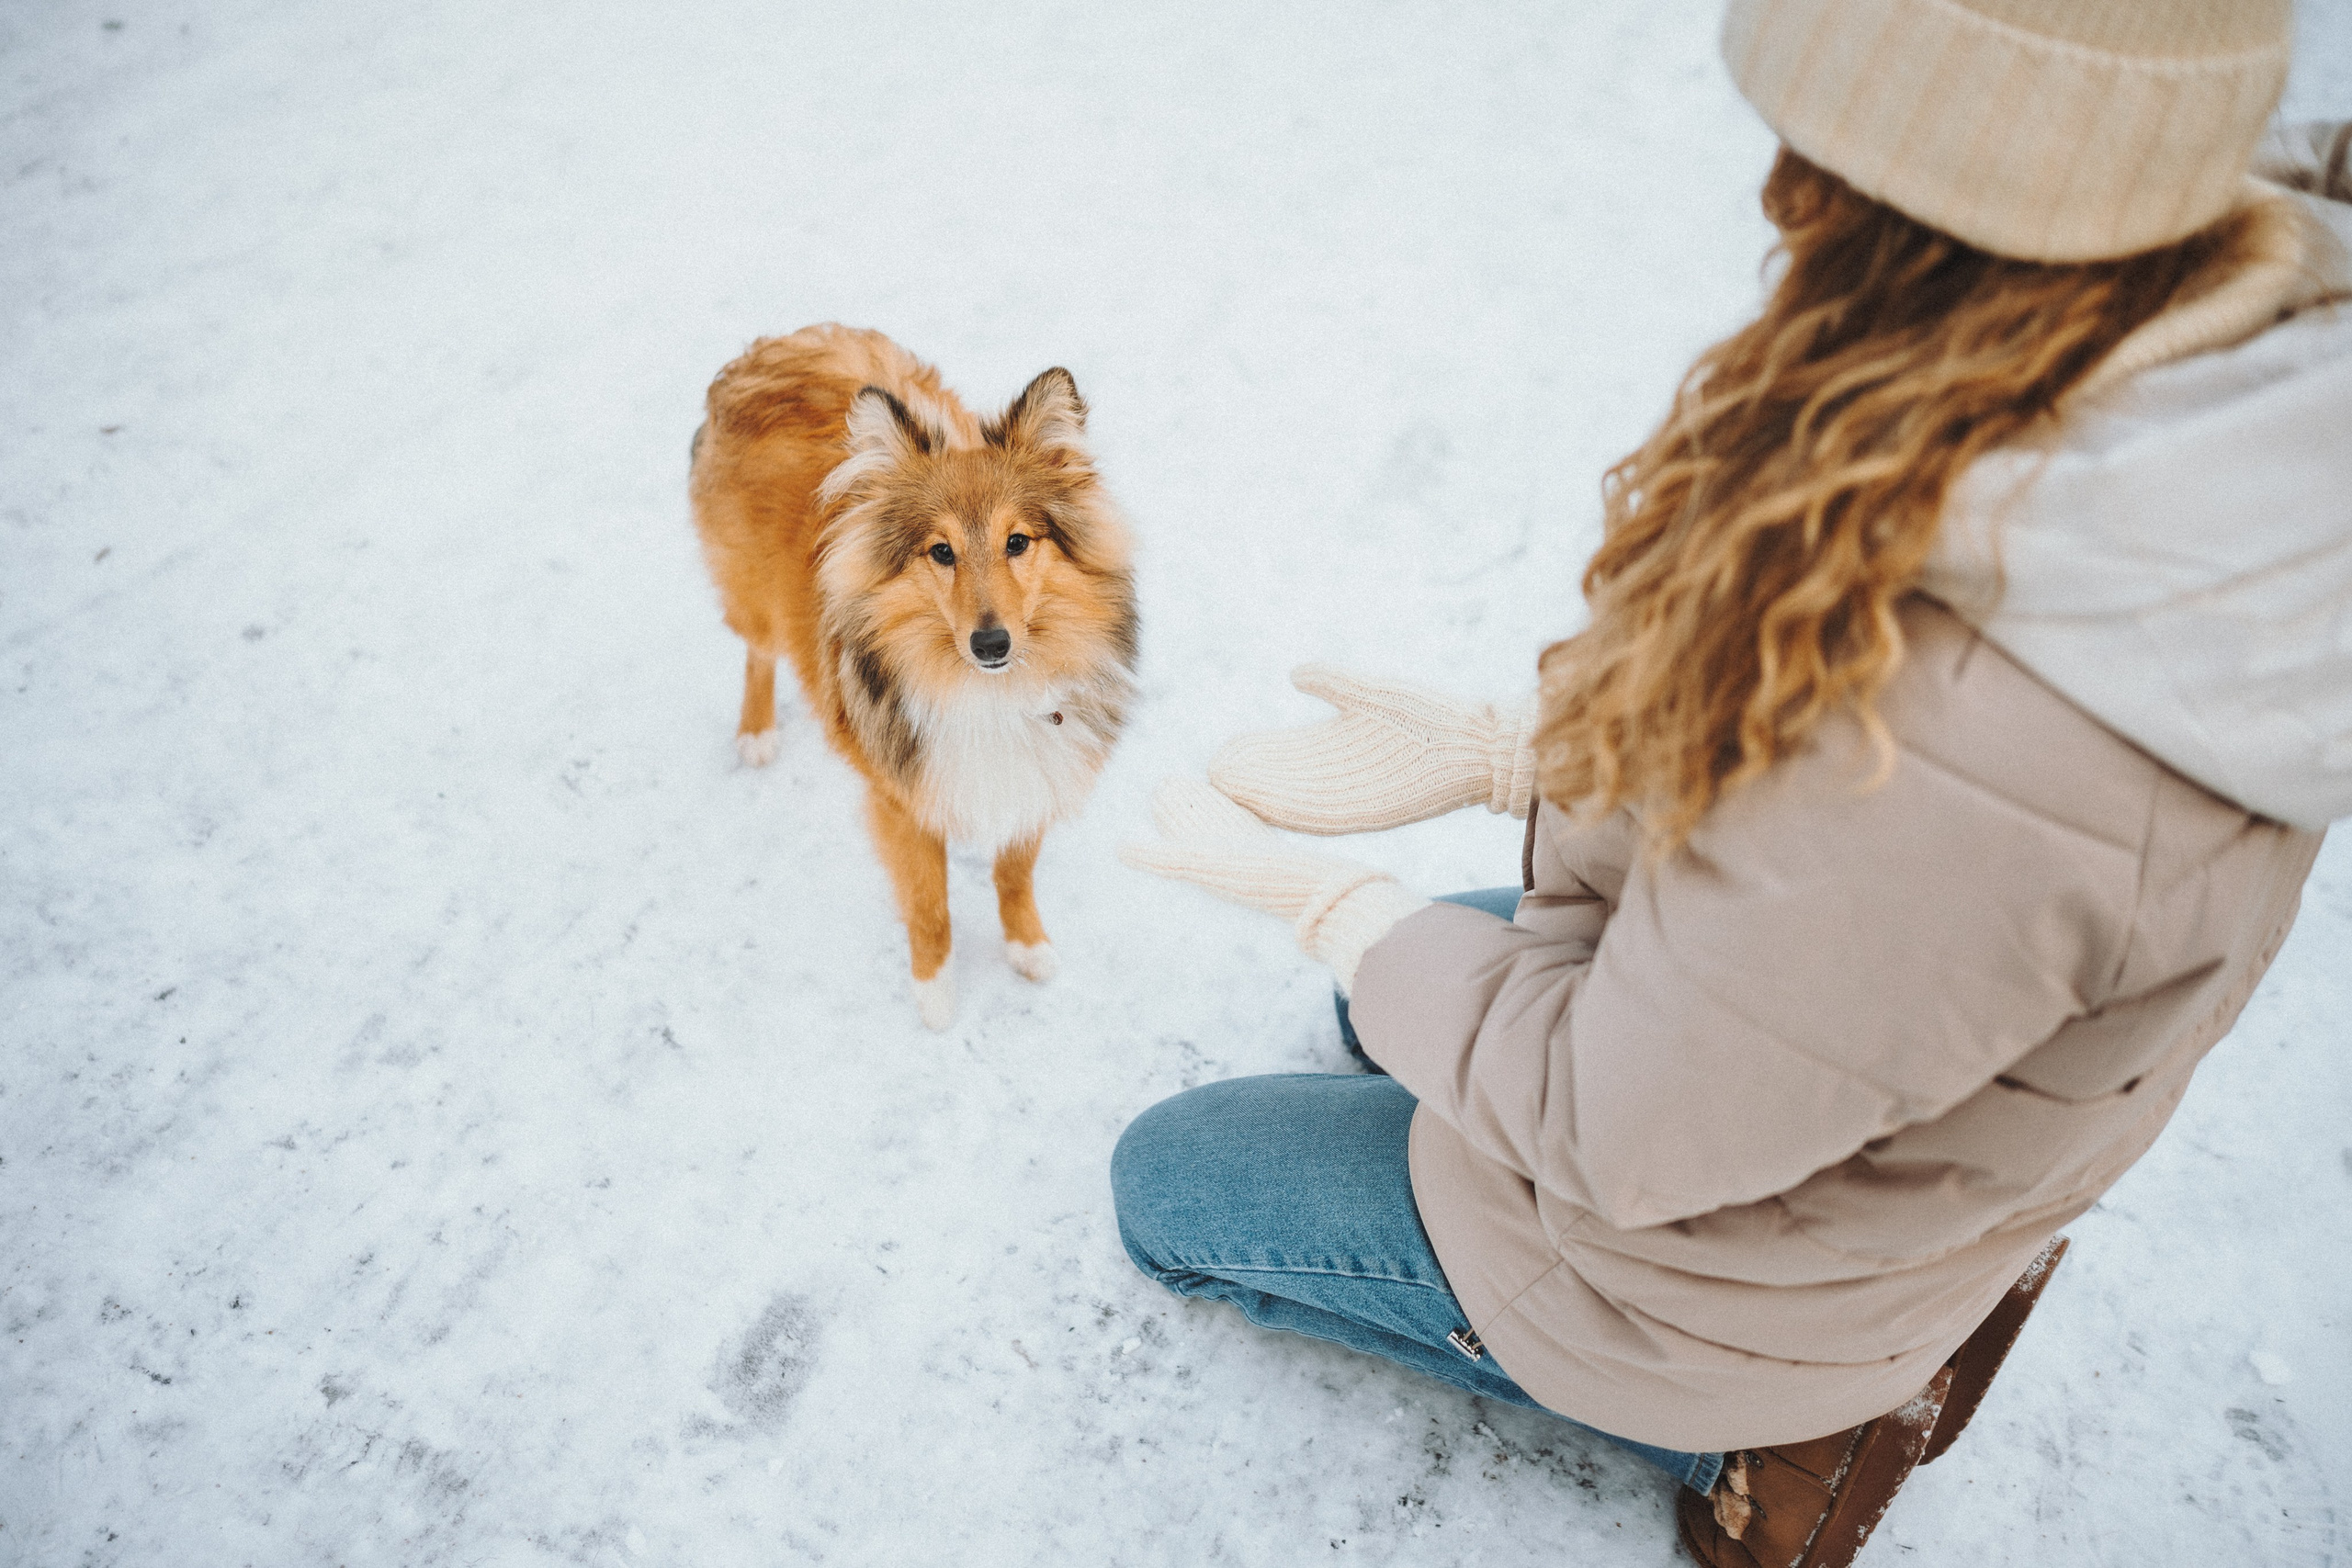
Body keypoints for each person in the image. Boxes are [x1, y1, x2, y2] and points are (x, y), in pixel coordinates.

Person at [1114, 1, 2352, 1562]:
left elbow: (1606, 1123)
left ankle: (1774, 1421)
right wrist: (1533, 755)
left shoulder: (1974, 757)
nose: (1781, 193)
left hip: (1711, 1269)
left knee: (1175, 1184)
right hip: (1879, 1111)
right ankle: (1876, 1315)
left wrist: (1334, 910)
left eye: (1825, 153)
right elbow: (1797, 819)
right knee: (1403, 1013)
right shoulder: (2187, 374)